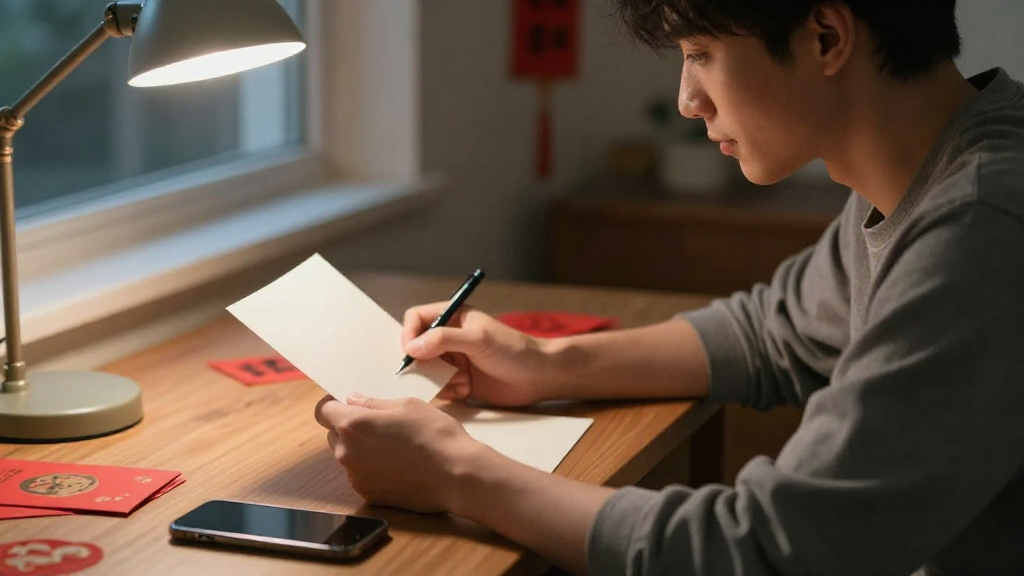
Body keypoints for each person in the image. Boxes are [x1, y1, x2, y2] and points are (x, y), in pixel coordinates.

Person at [315, 0, 1024, 574]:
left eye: (700, 56)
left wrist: (460, 474)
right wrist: (546, 365)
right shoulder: (931, 169)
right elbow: (774, 332)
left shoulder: (982, 221)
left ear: (826, 36)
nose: (688, 101)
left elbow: (781, 550)